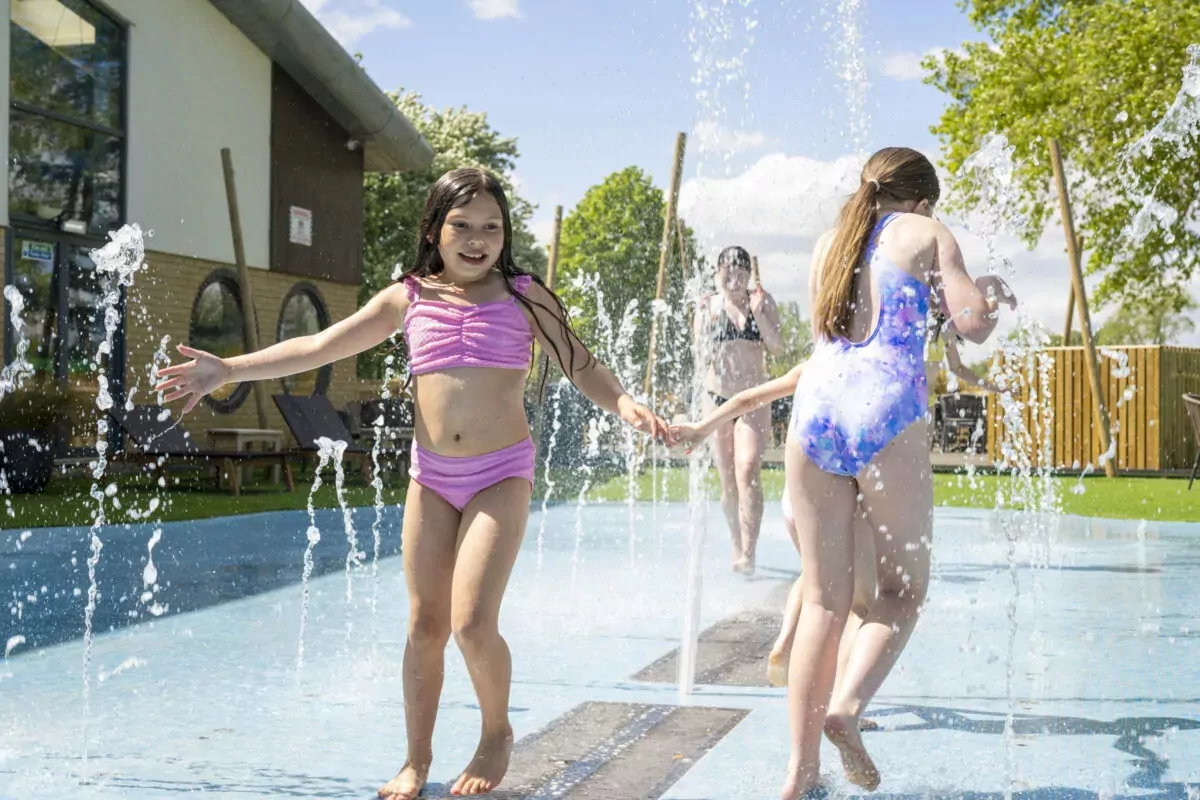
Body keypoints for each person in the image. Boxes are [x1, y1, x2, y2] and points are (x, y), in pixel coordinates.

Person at [154, 168, 670, 800]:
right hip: (432, 479)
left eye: (492, 227)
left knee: (472, 624)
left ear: (506, 235)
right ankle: (416, 760)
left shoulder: (526, 296)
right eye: (462, 225)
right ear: (434, 230)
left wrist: (624, 405)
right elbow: (320, 345)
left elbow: (583, 365)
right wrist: (227, 368)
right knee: (426, 625)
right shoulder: (409, 297)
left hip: (500, 473)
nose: (477, 239)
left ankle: (496, 731)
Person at [779, 147, 1015, 797]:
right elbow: (971, 326)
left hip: (816, 417)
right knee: (901, 593)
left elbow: (823, 334)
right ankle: (848, 708)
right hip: (886, 414)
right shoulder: (929, 232)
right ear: (920, 201)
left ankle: (798, 780)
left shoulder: (830, 241)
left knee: (823, 603)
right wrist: (988, 292)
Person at [693, 246, 784, 576]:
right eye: (727, 271)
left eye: (740, 271)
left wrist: (758, 314)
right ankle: (736, 543)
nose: (733, 277)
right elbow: (698, 355)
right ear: (718, 273)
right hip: (717, 398)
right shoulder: (708, 307)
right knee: (728, 481)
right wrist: (705, 323)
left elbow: (778, 347)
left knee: (747, 468)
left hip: (753, 398)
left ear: (748, 273)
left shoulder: (763, 300)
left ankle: (749, 550)